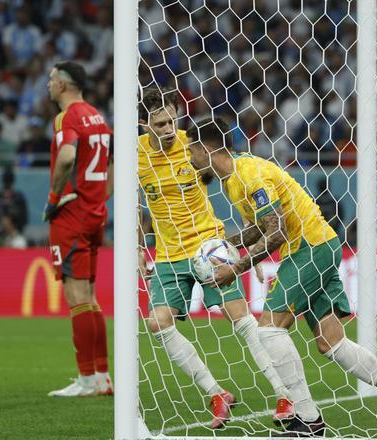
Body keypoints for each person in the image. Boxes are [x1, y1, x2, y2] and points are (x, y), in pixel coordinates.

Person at [186, 118, 377, 438]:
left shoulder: (249, 176)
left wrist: (235, 267)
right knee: (331, 342)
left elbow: (277, 232)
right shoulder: (233, 179)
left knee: (270, 329)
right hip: (319, 244)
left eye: (192, 151)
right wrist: (230, 245)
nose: (190, 159)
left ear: (207, 149)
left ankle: (309, 421)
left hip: (308, 248)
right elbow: (263, 227)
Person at [137, 87, 294, 429]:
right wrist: (138, 247)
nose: (167, 129)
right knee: (157, 323)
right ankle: (216, 393)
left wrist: (237, 239)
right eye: (159, 124)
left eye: (171, 121)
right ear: (143, 124)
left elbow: (222, 170)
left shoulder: (192, 146)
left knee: (241, 319)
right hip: (167, 254)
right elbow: (135, 206)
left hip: (207, 247)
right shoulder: (135, 156)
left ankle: (285, 394)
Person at [44, 61, 113, 398]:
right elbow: (112, 163)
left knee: (77, 299)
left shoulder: (67, 118)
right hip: (94, 214)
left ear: (63, 85)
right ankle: (102, 377)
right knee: (91, 298)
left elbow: (68, 157)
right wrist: (100, 197)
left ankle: (87, 379)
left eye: (52, 79)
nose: (48, 84)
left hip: (71, 216)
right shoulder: (98, 116)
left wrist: (55, 197)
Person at [0, 166, 28, 246]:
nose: (7, 184)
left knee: (20, 243)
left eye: (9, 181)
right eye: (6, 180)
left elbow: (24, 220)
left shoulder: (19, 198)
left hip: (15, 235)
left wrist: (11, 228)